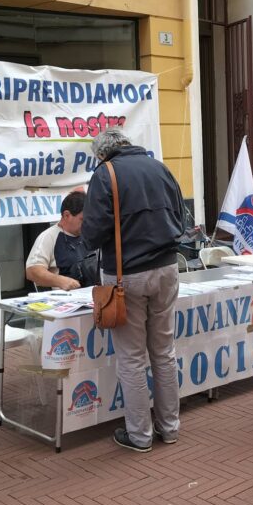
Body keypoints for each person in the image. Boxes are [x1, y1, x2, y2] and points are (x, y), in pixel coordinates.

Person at [82, 129, 186, 452]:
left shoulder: (105, 174)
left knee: (131, 358)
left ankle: (140, 435)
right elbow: (181, 217)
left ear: (102, 154)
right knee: (164, 352)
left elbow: (92, 233)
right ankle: (170, 427)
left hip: (126, 274)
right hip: (167, 267)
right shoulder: (159, 168)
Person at [25, 190, 97, 290]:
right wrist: (60, 281)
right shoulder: (48, 237)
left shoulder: (92, 234)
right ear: (66, 215)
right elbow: (32, 271)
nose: (87, 223)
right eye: (83, 219)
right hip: (65, 295)